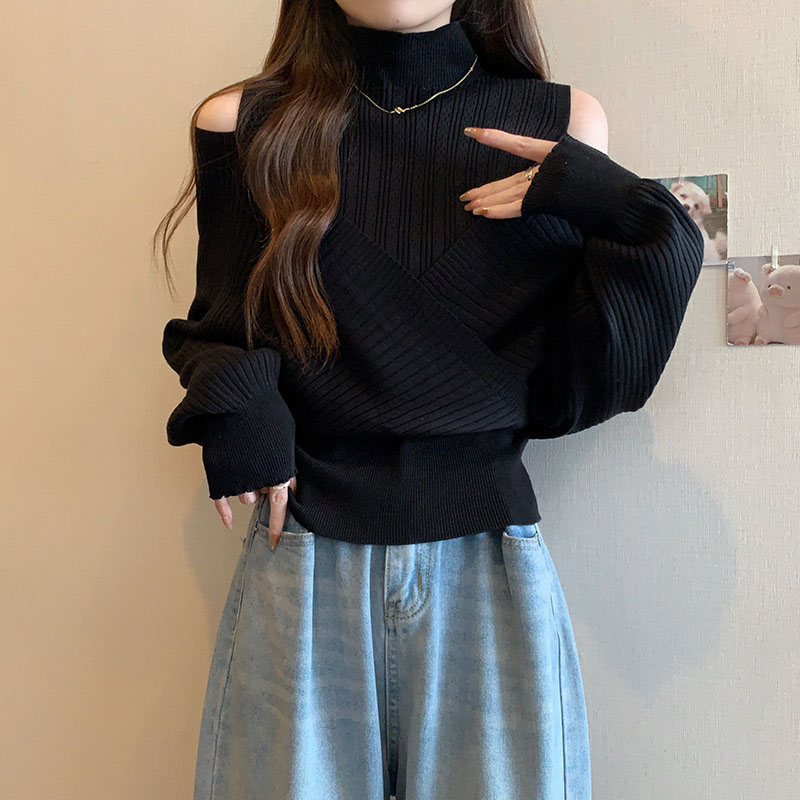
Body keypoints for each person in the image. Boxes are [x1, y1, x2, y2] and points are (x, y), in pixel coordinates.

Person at [154, 2, 704, 798]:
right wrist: (243, 412)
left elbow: (594, 379)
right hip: (304, 549)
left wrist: (618, 202)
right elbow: (219, 327)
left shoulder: (561, 121)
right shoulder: (247, 123)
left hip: (488, 560)